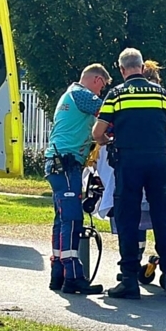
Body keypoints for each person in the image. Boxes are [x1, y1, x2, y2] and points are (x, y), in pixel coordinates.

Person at [93, 48, 166, 299]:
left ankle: (130, 280)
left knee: (128, 219)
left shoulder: (116, 95)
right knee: (161, 218)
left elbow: (97, 133)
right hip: (157, 161)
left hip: (129, 162)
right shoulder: (161, 94)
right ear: (143, 68)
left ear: (122, 70)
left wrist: (108, 140)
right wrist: (164, 138)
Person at [45, 63, 111, 295]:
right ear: (96, 80)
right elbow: (107, 113)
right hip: (67, 164)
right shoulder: (82, 95)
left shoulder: (69, 96)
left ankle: (58, 273)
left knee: (61, 220)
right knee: (72, 219)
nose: (100, 92)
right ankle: (73, 276)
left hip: (58, 163)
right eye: (101, 87)